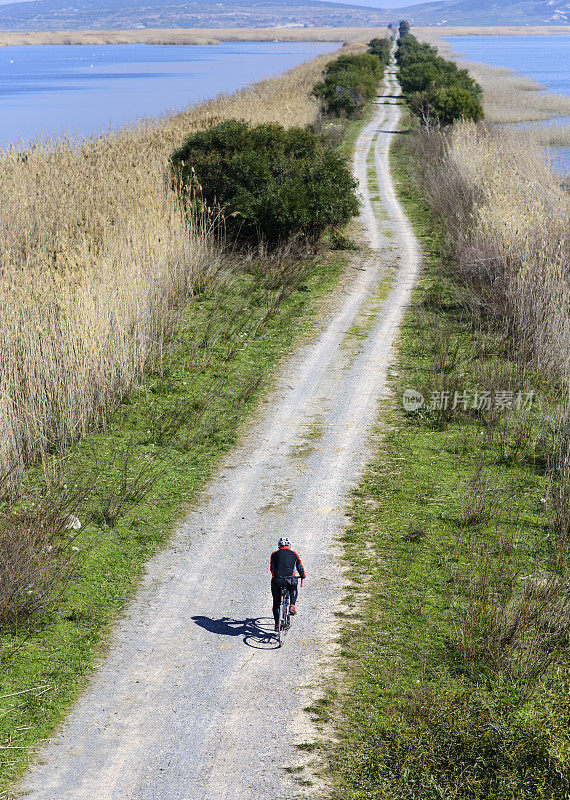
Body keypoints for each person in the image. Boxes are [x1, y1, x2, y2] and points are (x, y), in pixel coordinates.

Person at [270, 537, 305, 632]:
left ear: (279, 546)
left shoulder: (274, 554)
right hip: (290, 580)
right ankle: (292, 605)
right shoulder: (294, 554)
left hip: (277, 580)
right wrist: (302, 575)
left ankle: (277, 624)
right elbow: (299, 567)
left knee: (276, 603)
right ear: (289, 545)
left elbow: (272, 569)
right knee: (293, 589)